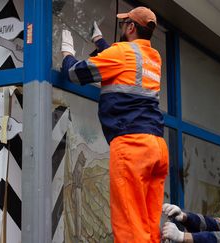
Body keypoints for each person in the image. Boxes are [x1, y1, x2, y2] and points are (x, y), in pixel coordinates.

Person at [61, 6, 169, 243]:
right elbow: (125, 64)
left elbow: (75, 73)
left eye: (123, 24)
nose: (121, 27)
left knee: (129, 226)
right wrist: (99, 42)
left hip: (132, 147)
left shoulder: (121, 54)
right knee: (149, 227)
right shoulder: (153, 57)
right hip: (157, 147)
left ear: (131, 27)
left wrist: (67, 52)